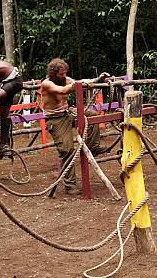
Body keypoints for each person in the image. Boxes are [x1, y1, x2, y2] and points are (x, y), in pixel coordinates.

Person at [41, 58, 109, 196]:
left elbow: (78, 82)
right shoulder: (46, 84)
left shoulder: (66, 79)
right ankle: (70, 185)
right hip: (55, 119)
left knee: (92, 116)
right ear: (53, 74)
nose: (63, 76)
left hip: (67, 112)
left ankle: (93, 146)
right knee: (66, 150)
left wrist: (97, 80)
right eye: (61, 74)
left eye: (65, 73)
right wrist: (77, 85)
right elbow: (62, 90)